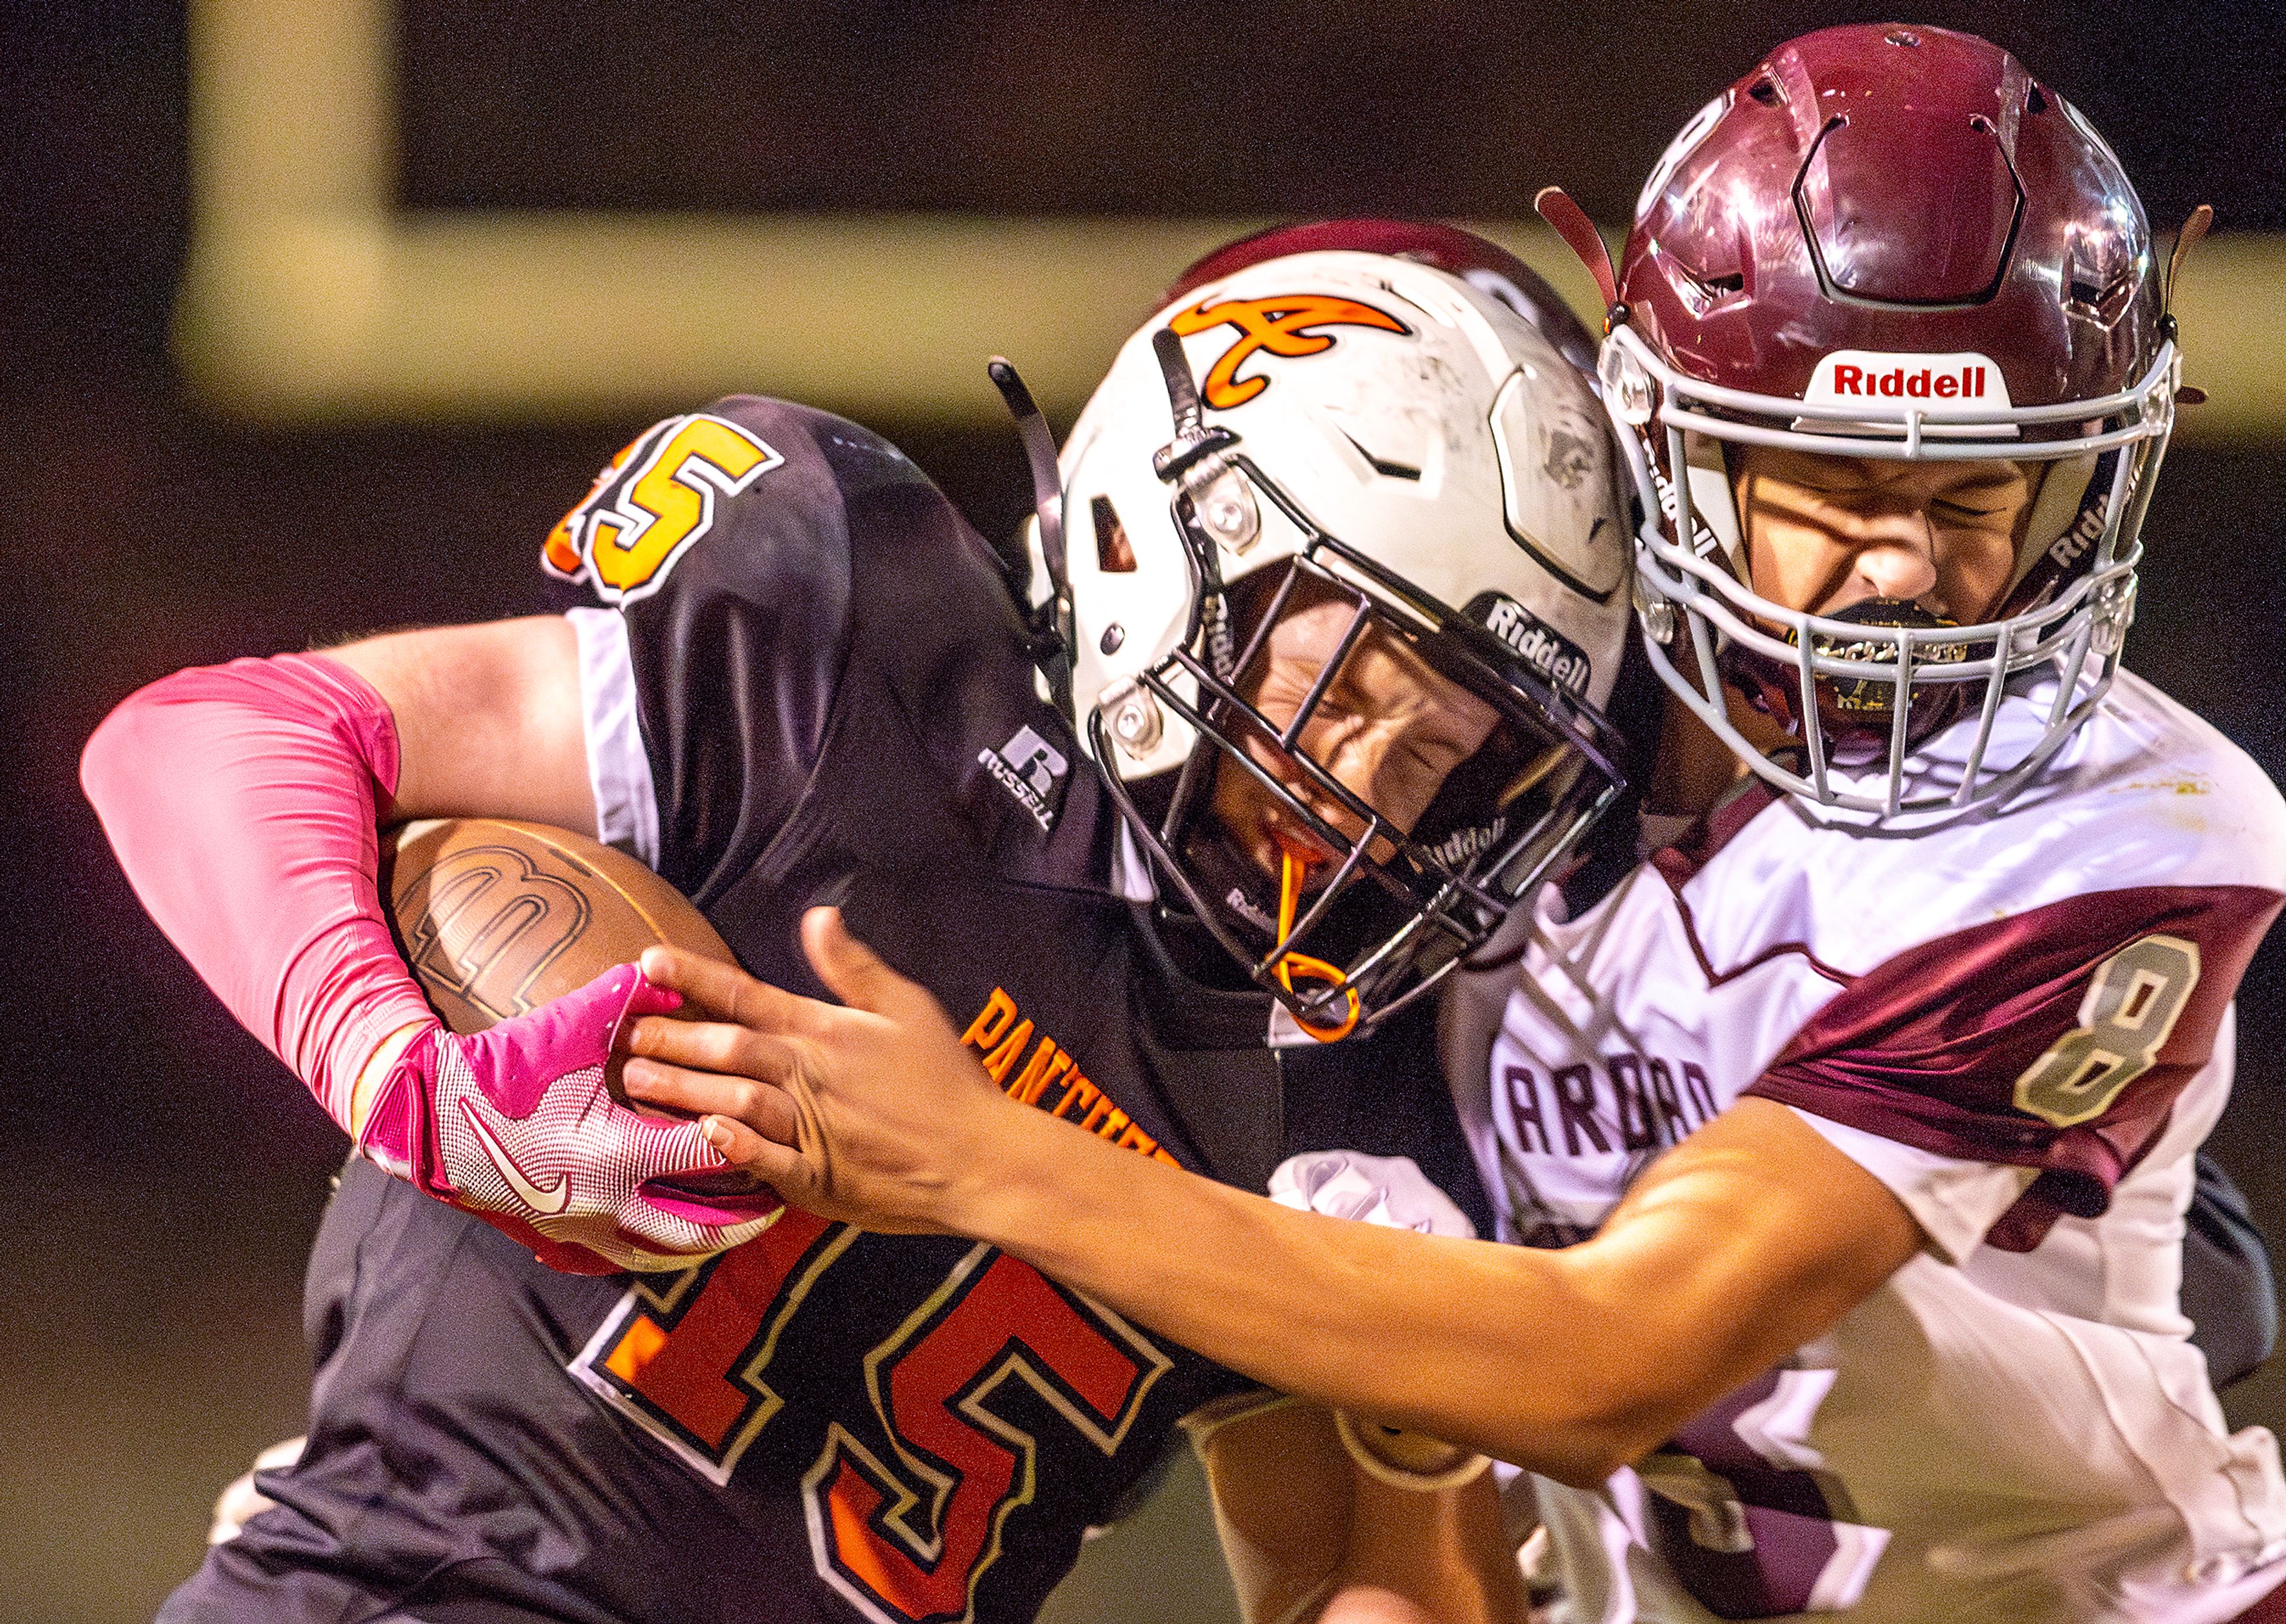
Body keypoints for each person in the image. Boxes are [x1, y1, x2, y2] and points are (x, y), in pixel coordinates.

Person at [617, 27, 2286, 1622]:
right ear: (1685, 460)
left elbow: (1608, 1362)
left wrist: (982, 1155)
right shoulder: (1470, 750)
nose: (1911, 568)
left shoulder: (2119, 828)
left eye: (1976, 498)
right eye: (1839, 491)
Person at [83, 241, 1636, 1622]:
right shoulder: (855, 660)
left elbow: (1338, 1574)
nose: (1368, 788)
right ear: (1180, 547)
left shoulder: (1363, 1096)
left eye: (1443, 751)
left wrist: (1432, 1458)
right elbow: (216, 737)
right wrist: (401, 1071)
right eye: (1346, 685)